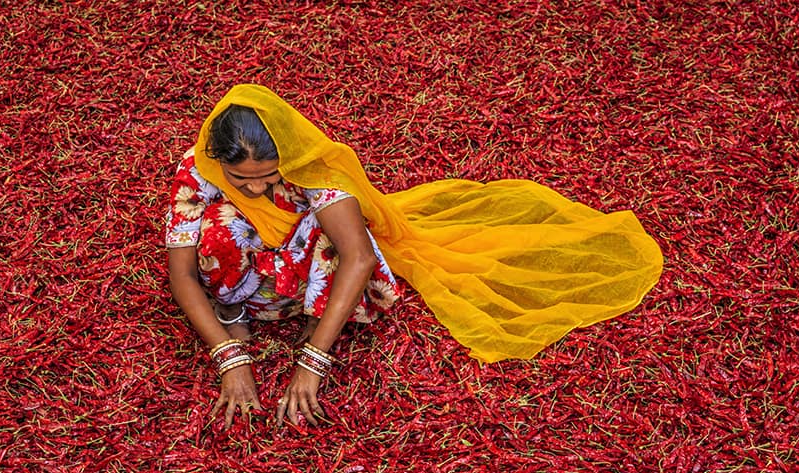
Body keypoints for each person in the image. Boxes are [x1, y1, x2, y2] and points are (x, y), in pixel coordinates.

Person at [165, 85, 663, 430]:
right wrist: (228, 357)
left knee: (329, 233)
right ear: (216, 159)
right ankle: (236, 318)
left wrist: (313, 360)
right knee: (219, 227)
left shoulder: (311, 165)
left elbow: (358, 258)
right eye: (241, 179)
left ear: (287, 158)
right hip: (248, 274)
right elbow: (183, 272)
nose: (255, 187)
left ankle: (309, 319)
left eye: (269, 177)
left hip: (304, 263)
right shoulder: (198, 168)